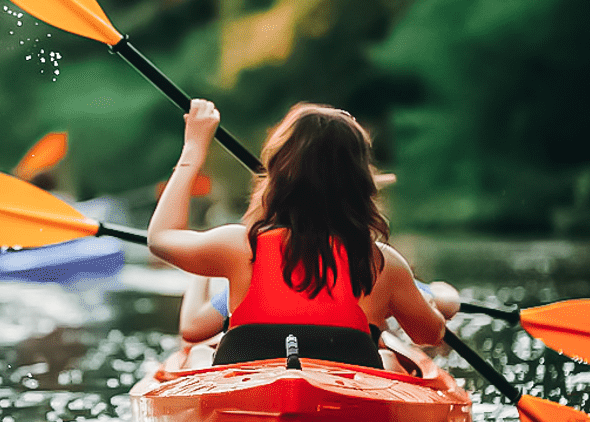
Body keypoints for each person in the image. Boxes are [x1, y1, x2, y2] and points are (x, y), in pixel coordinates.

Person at [152, 99, 458, 372]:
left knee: (199, 356)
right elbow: (429, 335)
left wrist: (193, 147)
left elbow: (161, 237)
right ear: (363, 182)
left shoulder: (240, 245)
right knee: (391, 361)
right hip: (346, 394)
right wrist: (445, 299)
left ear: (276, 175)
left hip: (247, 389)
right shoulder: (383, 263)